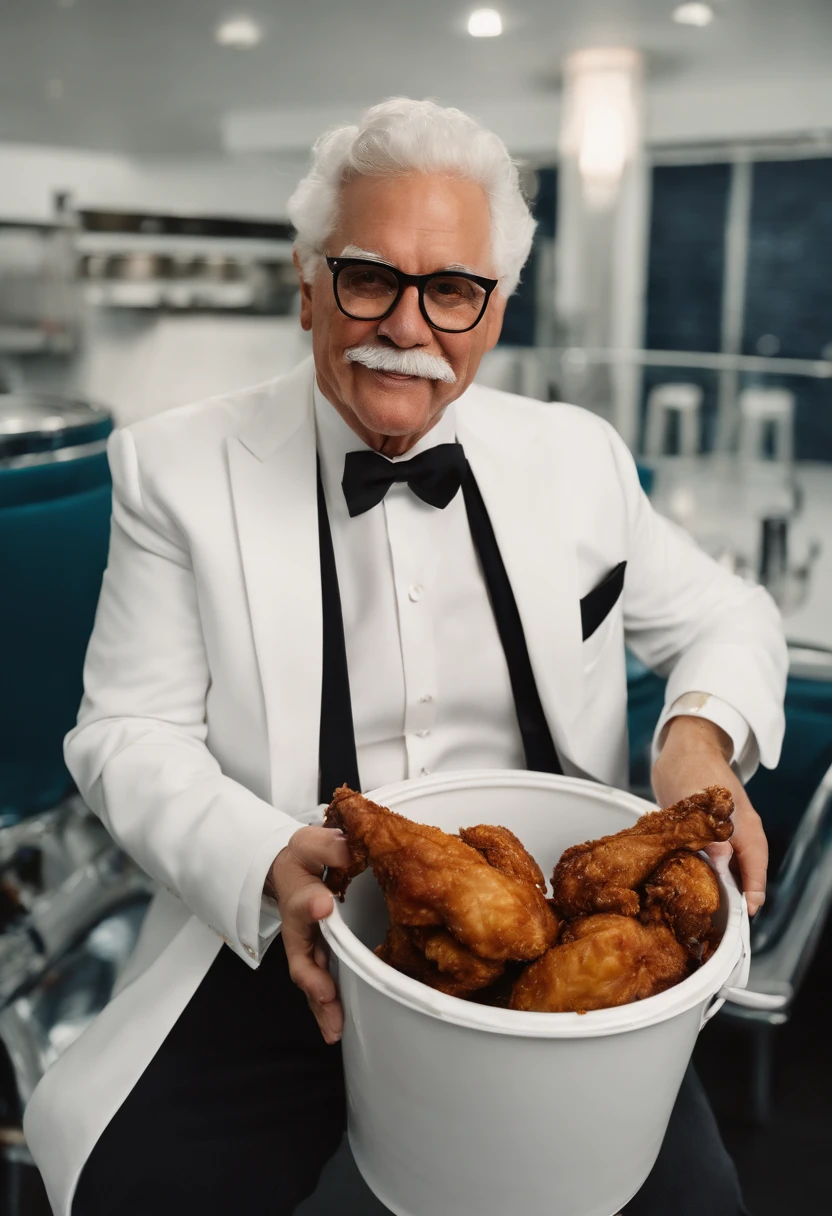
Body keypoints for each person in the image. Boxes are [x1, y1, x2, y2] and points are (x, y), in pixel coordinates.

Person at [25, 98, 786, 1216]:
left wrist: (695, 745)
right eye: (368, 277)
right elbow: (124, 730)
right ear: (307, 282)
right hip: (290, 922)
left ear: (494, 310)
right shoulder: (171, 469)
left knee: (690, 1203)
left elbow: (729, 613)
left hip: (560, 942)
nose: (406, 327)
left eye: (452, 290)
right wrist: (262, 858)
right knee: (139, 1184)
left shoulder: (577, 457)